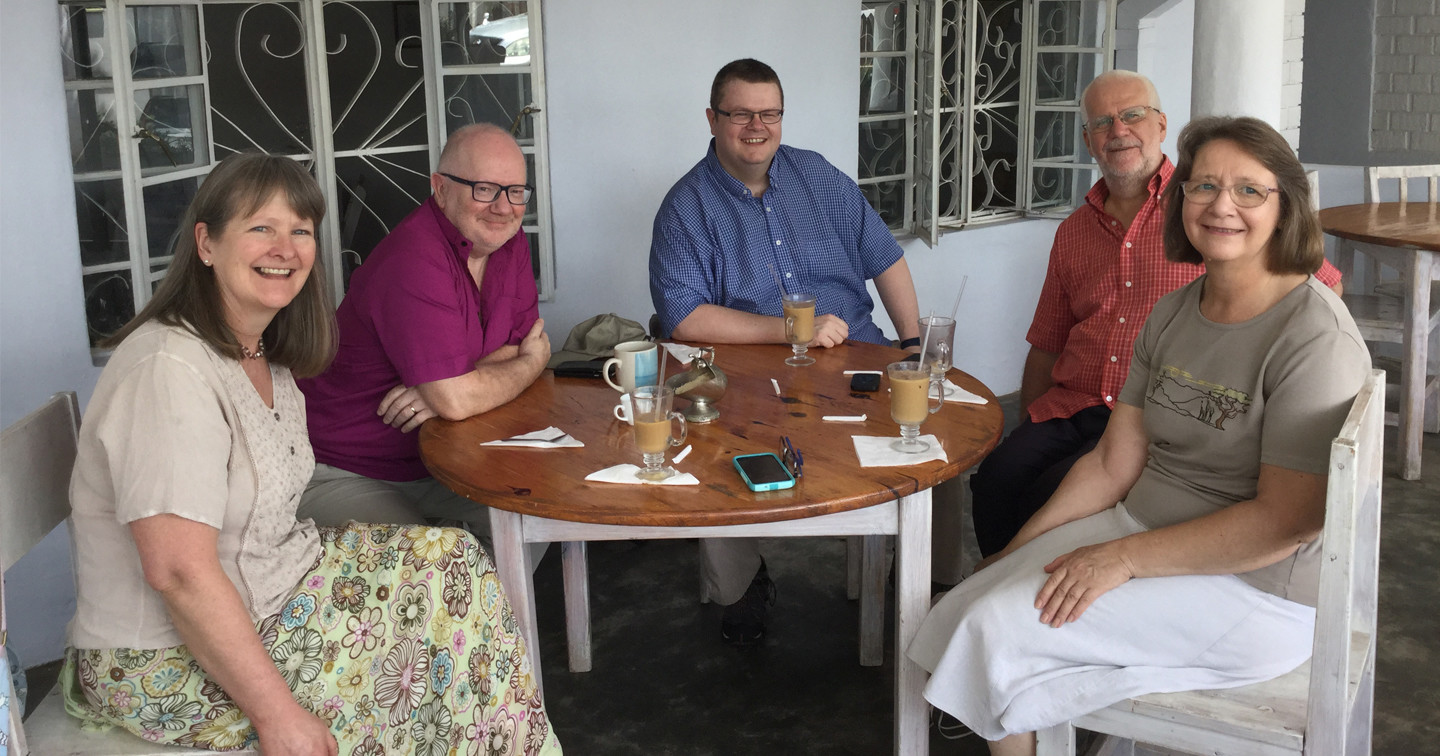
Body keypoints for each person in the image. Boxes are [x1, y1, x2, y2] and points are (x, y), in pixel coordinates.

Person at [62, 152, 561, 755]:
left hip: (277, 593)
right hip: (163, 664)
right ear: (206, 243)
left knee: (456, 563)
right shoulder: (168, 368)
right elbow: (178, 572)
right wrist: (278, 716)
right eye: (259, 228)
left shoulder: (263, 352)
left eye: (300, 231)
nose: (285, 248)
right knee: (428, 657)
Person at [907, 116, 1370, 756]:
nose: (1221, 207)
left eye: (1249, 191)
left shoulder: (1313, 336)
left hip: (1255, 590)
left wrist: (1120, 561)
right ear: (1180, 201)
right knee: (958, 607)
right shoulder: (1175, 310)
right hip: (1142, 529)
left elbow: (1283, 523)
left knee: (991, 627)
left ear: (1285, 205)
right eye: (1202, 186)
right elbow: (1111, 462)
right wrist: (1015, 549)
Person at [968, 70, 1343, 558]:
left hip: (1156, 415)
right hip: (1073, 405)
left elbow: (1321, 285)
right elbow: (1048, 341)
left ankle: (1036, 590)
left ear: (1161, 125)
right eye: (1102, 122)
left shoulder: (1204, 212)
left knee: (1051, 498)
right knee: (996, 479)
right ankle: (1004, 588)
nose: (1118, 131)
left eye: (1133, 115)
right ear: (1087, 141)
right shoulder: (1074, 233)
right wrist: (1028, 424)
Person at [649, 58, 922, 645]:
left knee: (928, 436)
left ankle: (928, 580)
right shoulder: (685, 207)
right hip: (746, 375)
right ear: (712, 119)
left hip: (857, 355)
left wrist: (913, 346)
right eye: (741, 113)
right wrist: (791, 330)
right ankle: (741, 586)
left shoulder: (818, 177)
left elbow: (885, 258)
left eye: (769, 113)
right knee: (709, 445)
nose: (757, 126)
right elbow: (684, 318)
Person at [297, 124, 552, 537]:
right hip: (349, 468)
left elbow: (517, 346)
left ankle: (495, 601)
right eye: (484, 189)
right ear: (440, 188)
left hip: (445, 460)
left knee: (541, 517)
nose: (503, 207)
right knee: (434, 566)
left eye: (515, 191)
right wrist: (525, 366)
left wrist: (455, 388)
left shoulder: (510, 242)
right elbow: (509, 365)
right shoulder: (415, 257)